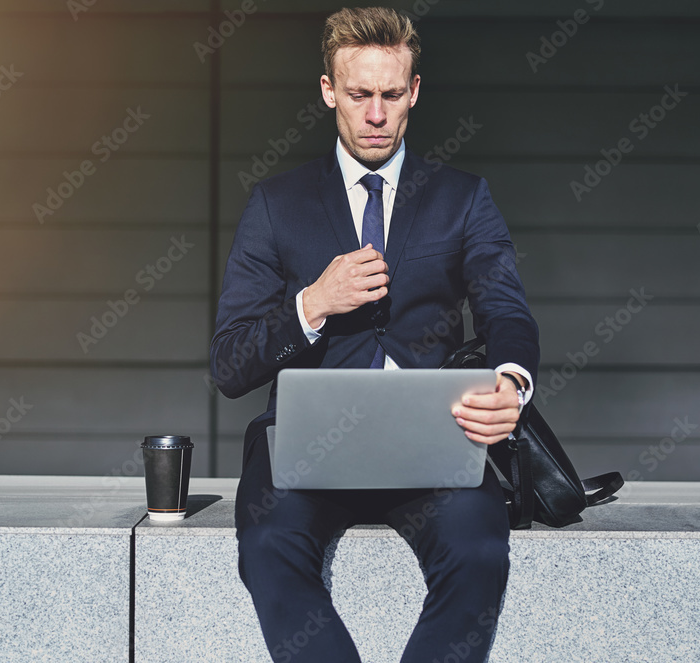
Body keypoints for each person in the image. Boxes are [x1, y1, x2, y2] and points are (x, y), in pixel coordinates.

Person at [210, 7, 539, 661]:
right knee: (268, 546)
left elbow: (507, 310)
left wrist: (511, 380)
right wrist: (312, 303)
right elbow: (229, 362)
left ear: (414, 90)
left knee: (479, 550)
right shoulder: (278, 204)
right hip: (305, 456)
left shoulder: (462, 198)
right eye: (360, 94)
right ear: (330, 90)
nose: (376, 114)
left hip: (434, 449)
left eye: (392, 94)